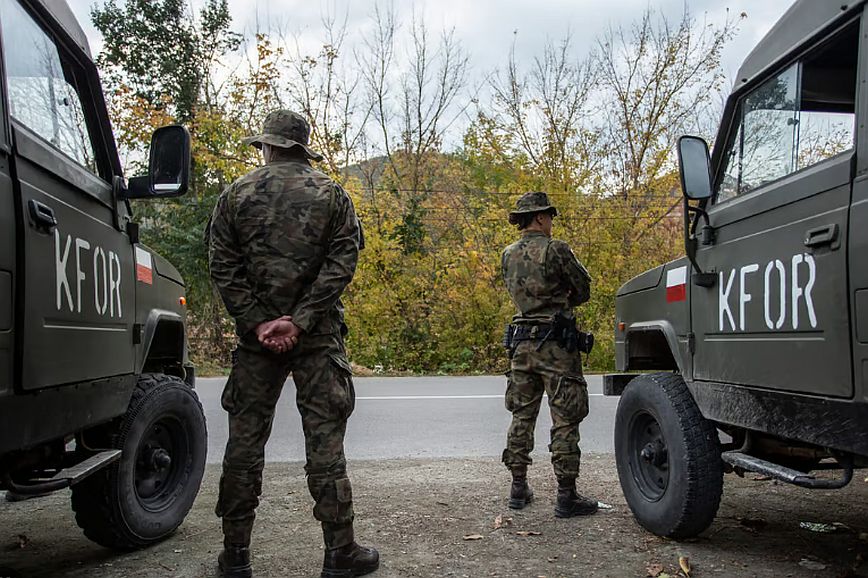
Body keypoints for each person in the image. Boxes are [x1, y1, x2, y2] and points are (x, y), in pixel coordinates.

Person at [207, 110, 379, 578]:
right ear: (301, 148)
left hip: (255, 340)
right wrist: (300, 321)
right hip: (318, 336)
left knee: (244, 442)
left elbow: (223, 266)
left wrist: (260, 321)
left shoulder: (235, 195)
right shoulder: (331, 194)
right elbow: (342, 264)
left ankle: (236, 556)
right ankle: (339, 552)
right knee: (324, 440)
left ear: (267, 146)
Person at [500, 191, 598, 518]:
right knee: (566, 417)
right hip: (556, 346)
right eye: (550, 217)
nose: (552, 222)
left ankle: (517, 488)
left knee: (521, 415)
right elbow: (583, 289)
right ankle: (566, 496)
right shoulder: (556, 250)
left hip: (521, 345)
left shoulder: (507, 255)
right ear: (540, 217)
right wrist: (564, 294)